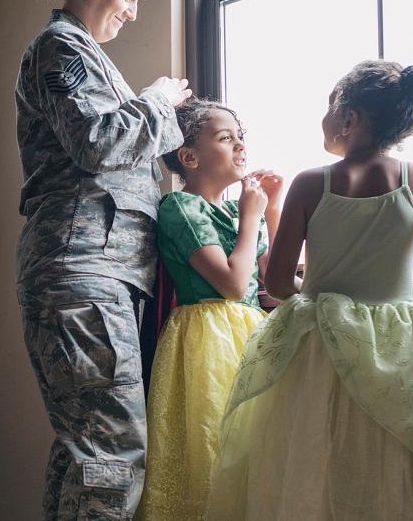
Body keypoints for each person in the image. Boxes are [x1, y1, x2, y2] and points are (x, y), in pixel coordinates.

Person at [206, 60, 413, 520]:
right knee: (385, 462)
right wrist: (409, 274)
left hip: (318, 345)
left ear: (350, 117)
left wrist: (317, 287)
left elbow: (278, 283)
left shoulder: (311, 182)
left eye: (329, 107)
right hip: (395, 343)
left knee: (308, 464)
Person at [15, 0, 192, 520]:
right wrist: (159, 101)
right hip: (82, 273)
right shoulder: (61, 49)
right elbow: (97, 143)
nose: (135, 12)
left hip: (94, 276)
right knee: (112, 452)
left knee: (85, 451)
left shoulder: (88, 58)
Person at [136, 101, 284, 520]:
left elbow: (270, 281)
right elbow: (234, 285)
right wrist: (252, 216)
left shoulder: (238, 212)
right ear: (189, 157)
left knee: (256, 447)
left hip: (251, 332)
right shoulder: (182, 208)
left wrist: (269, 210)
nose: (240, 145)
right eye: (226, 137)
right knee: (212, 445)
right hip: (205, 336)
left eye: (241, 136)